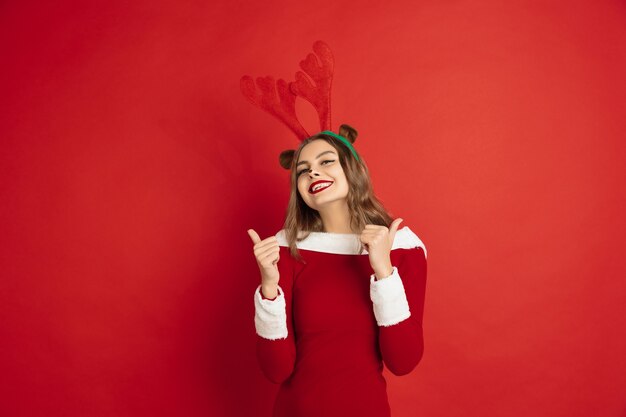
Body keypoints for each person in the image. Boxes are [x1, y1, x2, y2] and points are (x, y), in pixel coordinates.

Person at [247, 124, 428, 417]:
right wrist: (269, 287)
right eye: (303, 170)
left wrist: (384, 270)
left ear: (352, 168)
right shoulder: (285, 249)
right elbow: (276, 371)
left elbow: (403, 361)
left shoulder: (402, 247)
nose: (313, 173)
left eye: (326, 161)